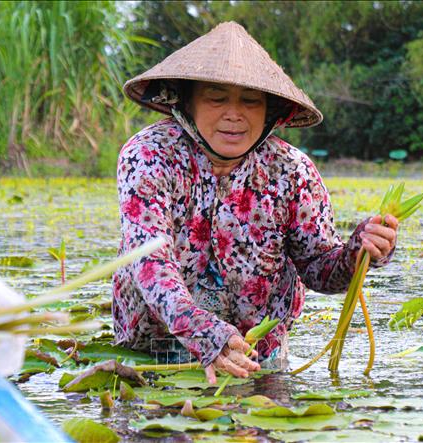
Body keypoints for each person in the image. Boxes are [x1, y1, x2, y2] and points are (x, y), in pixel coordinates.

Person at [113, 22, 398, 384]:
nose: (234, 114)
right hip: (156, 354)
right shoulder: (148, 156)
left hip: (259, 359)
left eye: (250, 100)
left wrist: (361, 250)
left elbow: (319, 269)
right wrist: (208, 335)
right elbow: (150, 264)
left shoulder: (292, 170)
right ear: (186, 101)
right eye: (217, 98)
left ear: (271, 111)